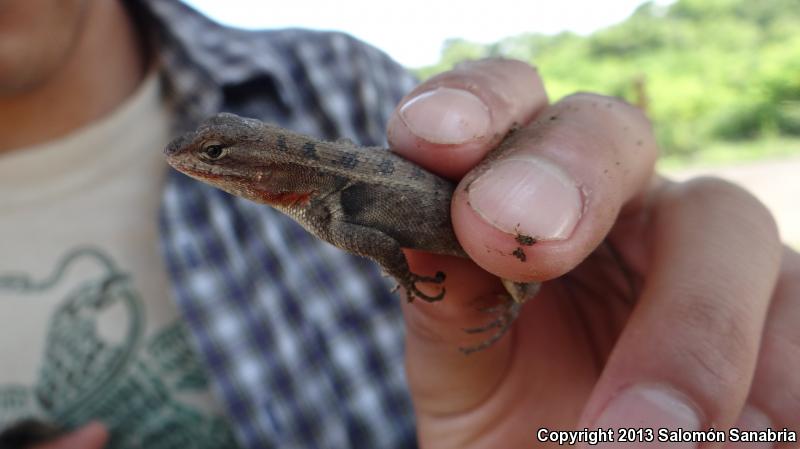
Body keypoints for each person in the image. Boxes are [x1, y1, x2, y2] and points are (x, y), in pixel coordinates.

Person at [0, 1, 797, 449]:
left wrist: (576, 199)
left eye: (215, 154)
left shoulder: (335, 88)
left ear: (254, 164)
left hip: (546, 307)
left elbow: (384, 243)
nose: (200, 163)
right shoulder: (312, 193)